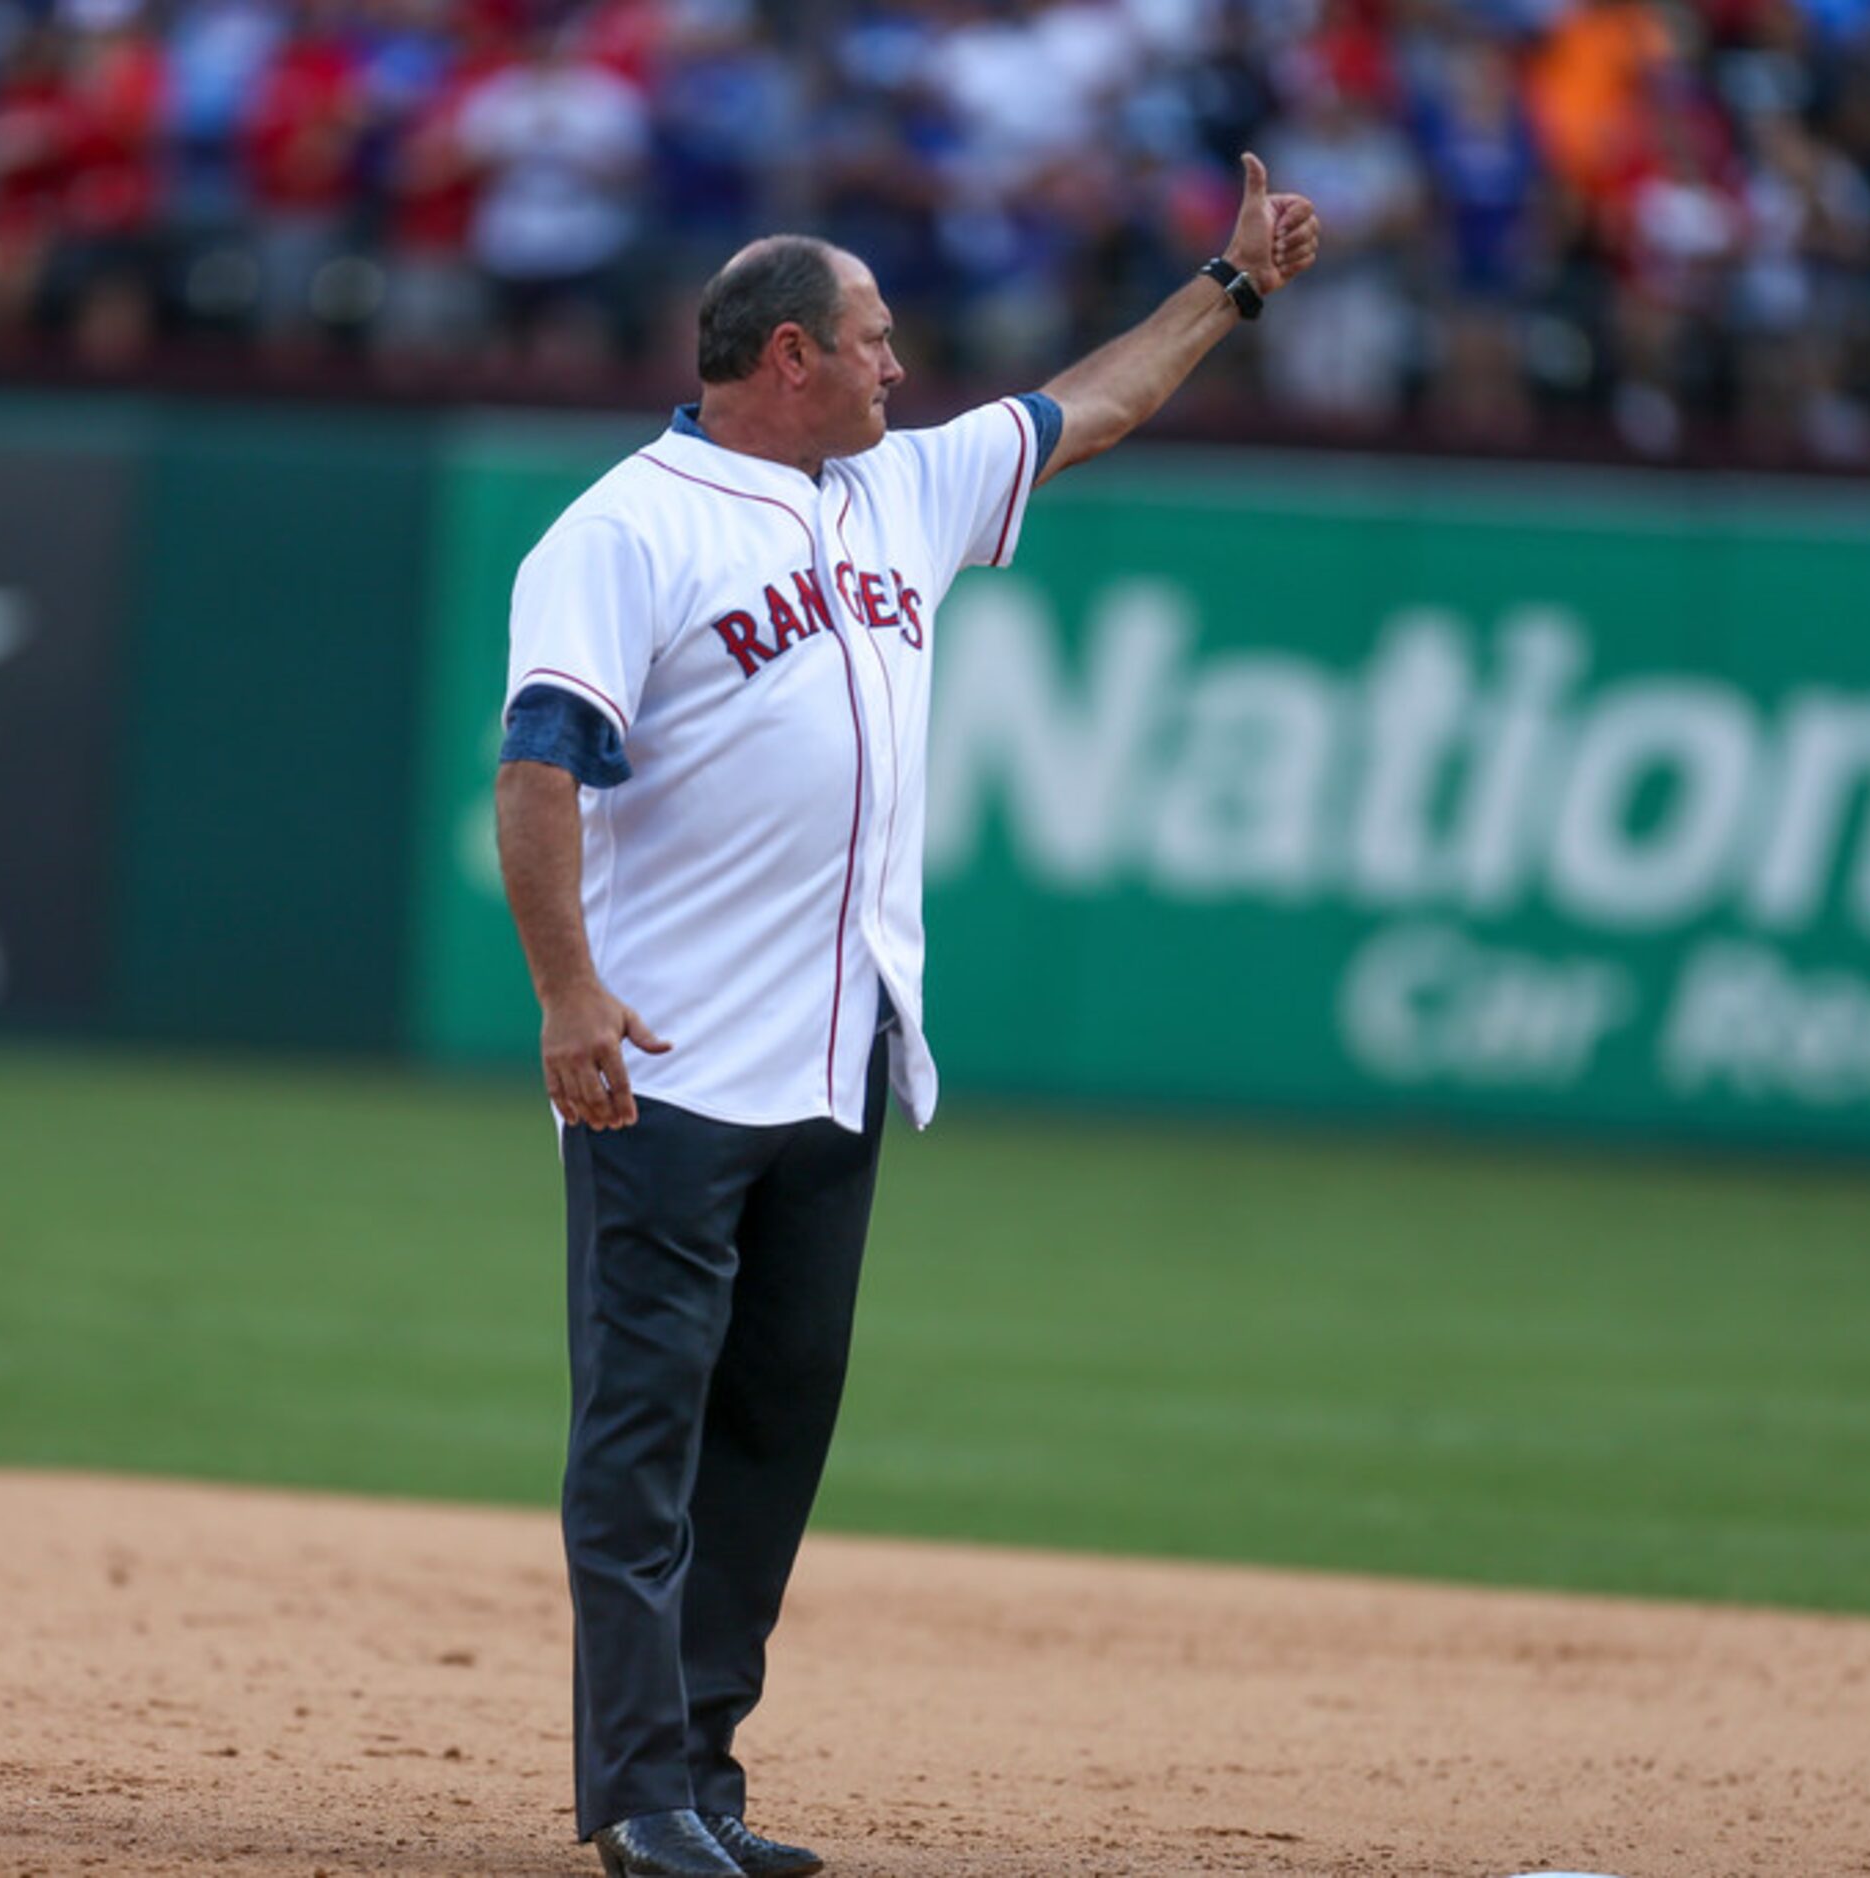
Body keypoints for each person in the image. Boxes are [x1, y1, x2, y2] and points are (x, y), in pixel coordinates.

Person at [492, 155, 1322, 1878]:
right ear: (786, 353)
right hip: (665, 1065)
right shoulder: (625, 528)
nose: (900, 363)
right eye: (872, 339)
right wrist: (568, 990)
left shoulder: (903, 493)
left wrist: (1228, 290)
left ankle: (703, 1773)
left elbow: (1088, 404)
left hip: (843, 1056)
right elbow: (539, 765)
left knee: (775, 1433)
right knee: (646, 1442)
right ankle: (638, 1795)